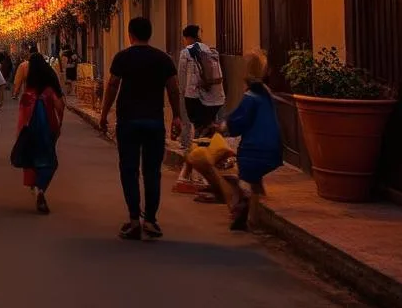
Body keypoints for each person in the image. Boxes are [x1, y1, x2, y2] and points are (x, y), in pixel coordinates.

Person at [99, 17, 182, 241]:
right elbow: (173, 89)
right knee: (152, 172)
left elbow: (113, 85)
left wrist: (104, 113)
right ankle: (151, 221)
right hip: (154, 122)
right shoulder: (163, 59)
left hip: (128, 122)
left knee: (129, 170)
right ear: (150, 34)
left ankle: (134, 220)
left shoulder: (123, 58)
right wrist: (176, 116)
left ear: (130, 34)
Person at [190, 50, 284, 231]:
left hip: (253, 150)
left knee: (242, 179)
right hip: (274, 149)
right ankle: (253, 220)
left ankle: (239, 205)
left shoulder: (250, 97)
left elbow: (238, 121)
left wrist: (222, 127)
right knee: (254, 180)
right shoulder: (267, 95)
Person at [174, 25, 226, 194]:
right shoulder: (211, 51)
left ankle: (198, 175)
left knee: (198, 136)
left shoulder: (186, 53)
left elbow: (181, 79)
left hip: (195, 97)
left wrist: (182, 93)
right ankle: (194, 174)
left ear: (187, 37)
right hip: (216, 99)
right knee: (207, 133)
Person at [14, 53, 65, 214]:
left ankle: (35, 188)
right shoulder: (49, 91)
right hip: (48, 129)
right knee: (50, 161)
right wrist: (59, 126)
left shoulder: (28, 94)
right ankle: (41, 189)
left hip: (30, 131)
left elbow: (22, 118)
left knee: (32, 159)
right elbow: (59, 107)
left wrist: (20, 135)